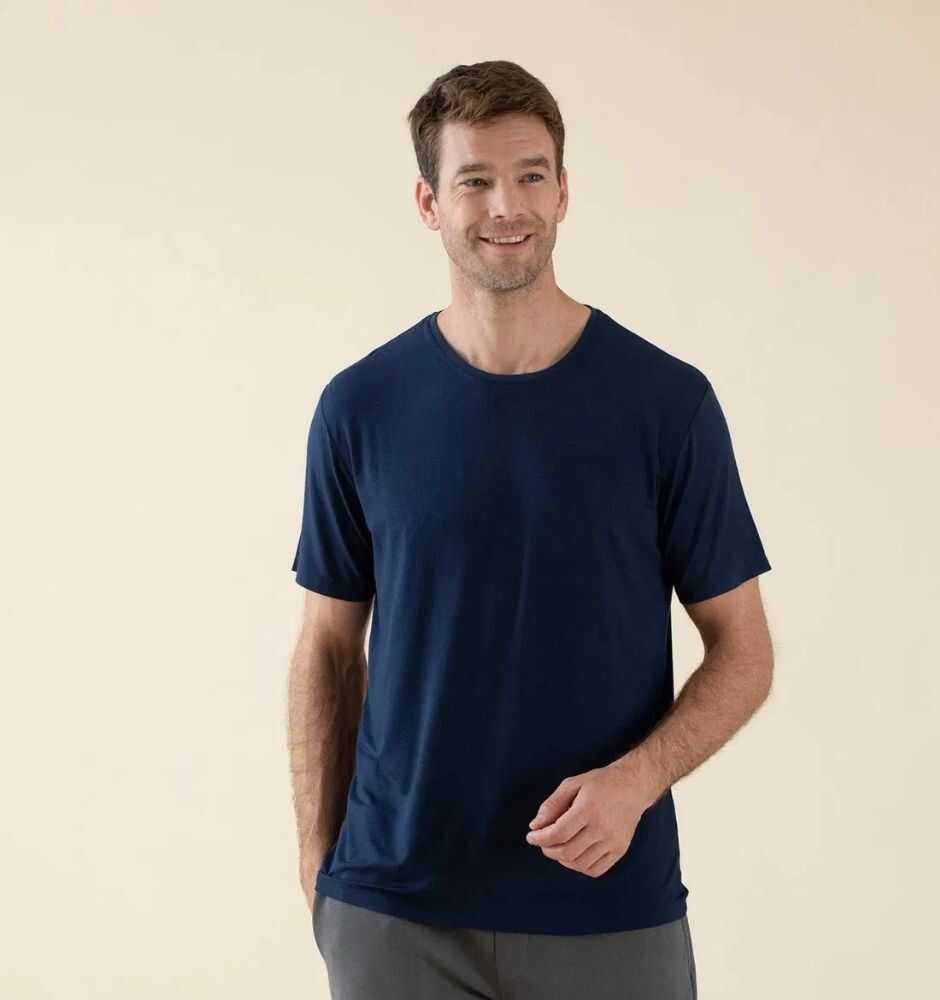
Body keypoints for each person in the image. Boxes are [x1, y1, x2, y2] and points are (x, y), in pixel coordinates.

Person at [288, 59, 774, 1000]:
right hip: (395, 914)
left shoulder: (665, 404)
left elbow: (744, 650)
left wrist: (637, 781)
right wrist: (320, 872)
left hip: (607, 906)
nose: (506, 205)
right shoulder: (360, 408)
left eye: (531, 175)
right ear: (429, 203)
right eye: (475, 180)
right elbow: (327, 650)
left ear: (563, 192)